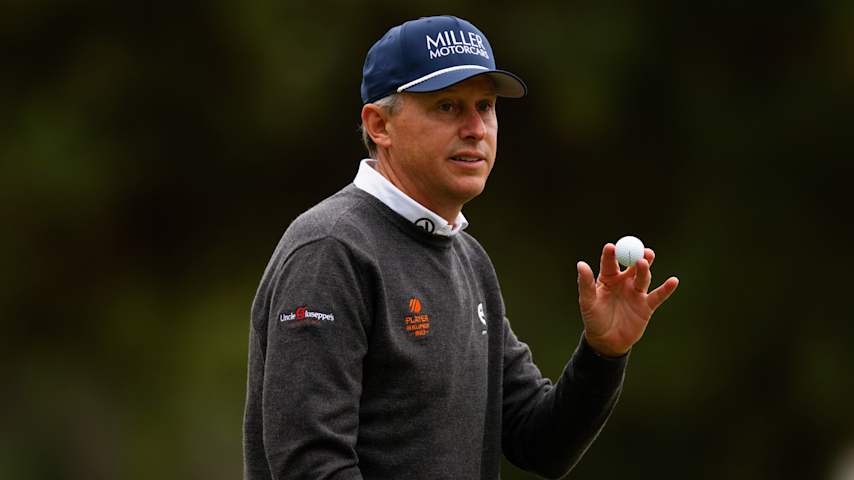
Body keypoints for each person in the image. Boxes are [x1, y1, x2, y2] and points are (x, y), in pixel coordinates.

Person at [242, 15, 679, 480]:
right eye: (447, 107)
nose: (475, 128)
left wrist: (602, 353)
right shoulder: (330, 250)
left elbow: (540, 442)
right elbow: (311, 466)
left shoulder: (469, 260)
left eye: (486, 106)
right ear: (379, 125)